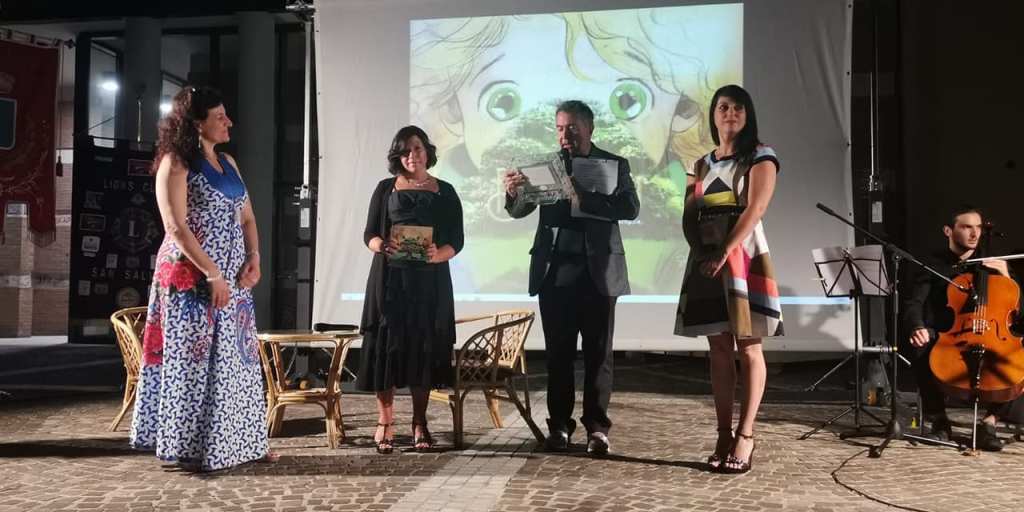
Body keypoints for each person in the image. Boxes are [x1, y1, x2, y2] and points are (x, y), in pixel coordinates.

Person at [130, 85, 274, 471]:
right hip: (191, 279)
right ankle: (189, 447)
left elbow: (247, 217)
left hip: (233, 277)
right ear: (197, 123)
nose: (229, 122)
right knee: (191, 361)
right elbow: (175, 226)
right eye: (220, 116)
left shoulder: (228, 162)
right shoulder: (176, 163)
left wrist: (255, 258)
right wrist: (212, 274)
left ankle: (241, 443)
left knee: (236, 358)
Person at [502, 100, 640, 456]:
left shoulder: (613, 164)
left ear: (589, 129)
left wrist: (585, 197)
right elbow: (519, 210)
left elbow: (630, 208)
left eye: (572, 129)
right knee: (558, 356)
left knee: (599, 355)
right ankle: (559, 427)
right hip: (555, 273)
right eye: (560, 128)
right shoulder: (545, 165)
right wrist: (514, 193)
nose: (565, 135)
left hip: (599, 273)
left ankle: (597, 429)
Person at [674, 85, 783, 474]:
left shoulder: (761, 155)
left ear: (748, 114)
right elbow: (689, 213)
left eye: (738, 107)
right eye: (723, 107)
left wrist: (725, 250)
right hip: (706, 257)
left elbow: (756, 208)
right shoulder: (700, 163)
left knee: (749, 345)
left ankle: (745, 435)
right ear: (713, 115)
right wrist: (702, 251)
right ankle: (722, 434)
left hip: (742, 254)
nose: (730, 113)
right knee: (718, 347)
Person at [358, 125, 464, 453]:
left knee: (424, 349)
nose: (411, 155)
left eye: (416, 148)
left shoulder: (446, 191)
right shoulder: (385, 188)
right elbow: (369, 234)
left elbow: (456, 240)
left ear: (427, 151)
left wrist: (437, 254)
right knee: (385, 349)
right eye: (404, 150)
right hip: (390, 281)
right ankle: (385, 422)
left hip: (429, 283)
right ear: (397, 156)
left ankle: (420, 423)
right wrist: (381, 245)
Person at [902, 206, 1024, 451]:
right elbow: (914, 303)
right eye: (967, 227)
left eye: (978, 227)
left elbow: (1018, 310)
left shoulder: (993, 265)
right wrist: (917, 327)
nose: (974, 233)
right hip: (948, 333)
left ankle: (990, 422)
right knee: (920, 344)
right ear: (948, 231)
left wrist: (1006, 277)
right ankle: (939, 421)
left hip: (993, 333)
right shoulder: (933, 265)